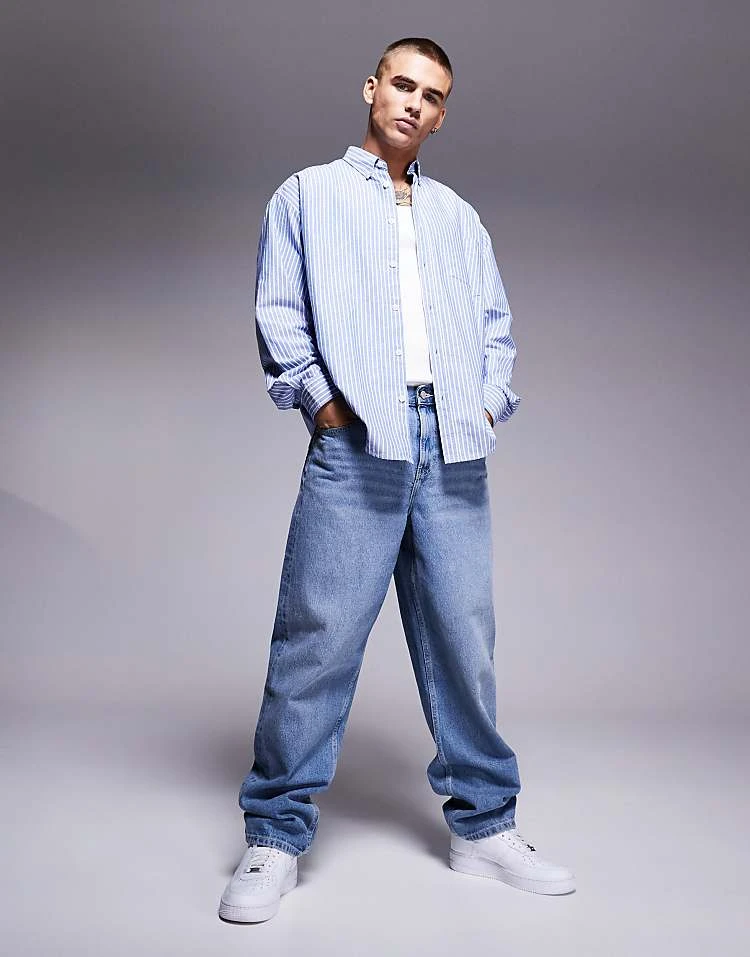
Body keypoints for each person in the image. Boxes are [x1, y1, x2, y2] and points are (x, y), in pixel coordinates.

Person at [219, 36, 575, 924]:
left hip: (453, 443)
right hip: (358, 441)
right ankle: (275, 834)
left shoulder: (459, 216)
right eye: (404, 84)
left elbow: (494, 325)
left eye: (434, 95)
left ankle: (485, 825)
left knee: (465, 639)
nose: (415, 103)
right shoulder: (307, 195)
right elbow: (279, 313)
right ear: (372, 88)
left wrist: (485, 405)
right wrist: (324, 406)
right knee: (318, 638)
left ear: (442, 115)